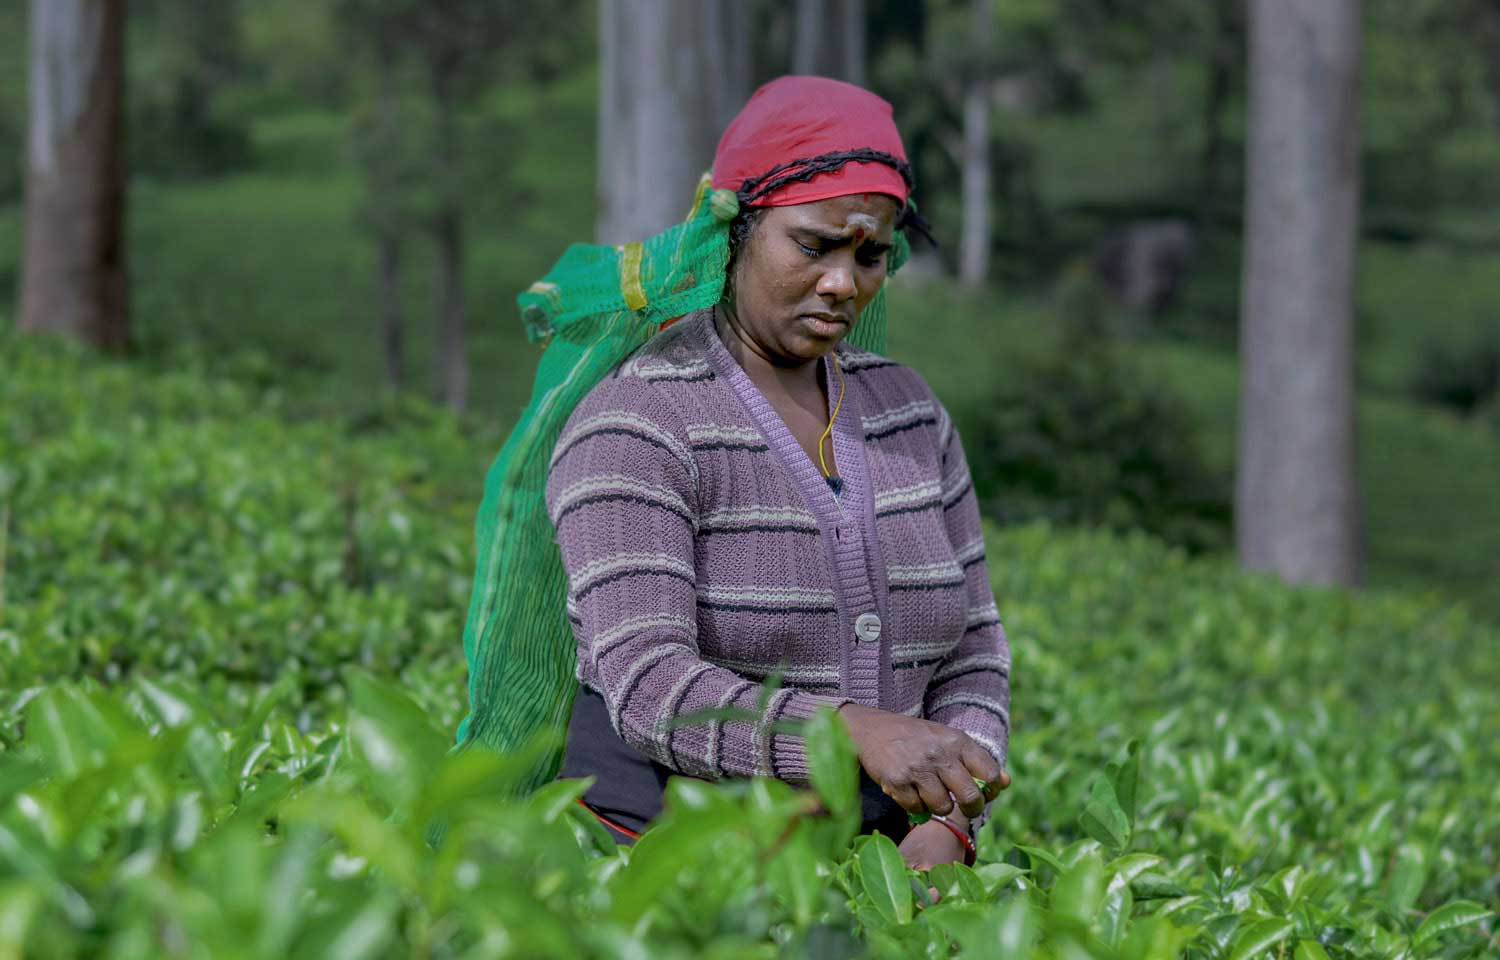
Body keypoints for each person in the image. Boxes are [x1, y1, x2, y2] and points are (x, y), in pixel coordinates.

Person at [453, 75, 1011, 871]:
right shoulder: (638, 422)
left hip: (890, 873)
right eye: (814, 245)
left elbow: (976, 650)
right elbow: (651, 690)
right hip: (669, 868)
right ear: (737, 231)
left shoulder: (910, 414)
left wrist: (951, 818)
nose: (843, 283)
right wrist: (851, 729)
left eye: (872, 254)